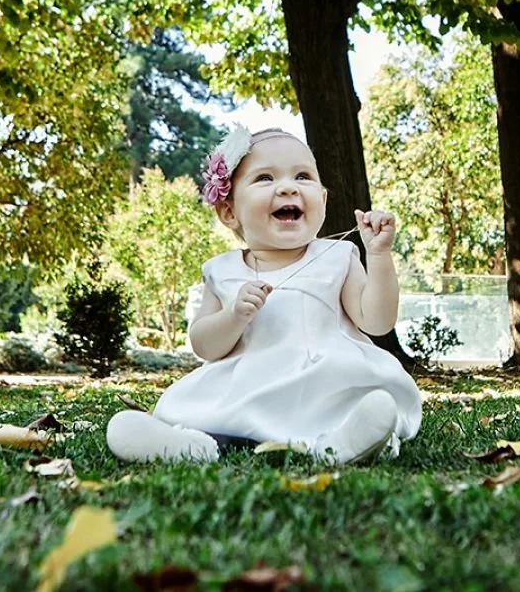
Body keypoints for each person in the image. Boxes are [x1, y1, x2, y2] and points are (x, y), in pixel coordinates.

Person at [105, 125, 423, 464]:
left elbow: (377, 321)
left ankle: (340, 443)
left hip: (322, 382)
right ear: (229, 212)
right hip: (247, 383)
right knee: (201, 407)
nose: (288, 187)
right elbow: (204, 345)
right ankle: (193, 445)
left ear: (324, 200)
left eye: (302, 176)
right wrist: (233, 316)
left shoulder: (336, 257)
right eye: (265, 179)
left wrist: (378, 257)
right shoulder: (223, 270)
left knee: (358, 406)